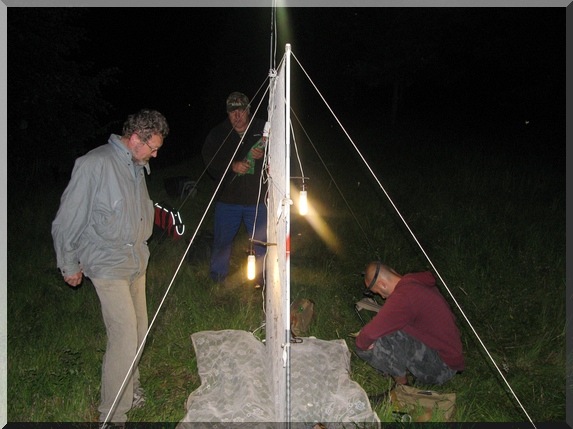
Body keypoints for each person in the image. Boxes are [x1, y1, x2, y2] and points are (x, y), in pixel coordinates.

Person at [51, 109, 169, 425]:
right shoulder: (94, 165)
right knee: (123, 335)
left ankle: (131, 387)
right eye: (152, 147)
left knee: (139, 331)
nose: (155, 154)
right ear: (134, 139)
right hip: (105, 262)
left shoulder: (136, 165)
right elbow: (66, 221)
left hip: (135, 262)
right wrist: (68, 264)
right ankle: (113, 413)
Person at [355, 261, 465, 386]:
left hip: (441, 366)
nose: (383, 297)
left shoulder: (404, 296)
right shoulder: (414, 283)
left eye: (378, 292)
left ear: (382, 284)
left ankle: (402, 387)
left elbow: (368, 335)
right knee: (390, 327)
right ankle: (400, 367)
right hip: (447, 355)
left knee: (380, 338)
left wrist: (362, 344)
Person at [201, 92, 268, 286]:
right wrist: (232, 167)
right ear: (227, 113)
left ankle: (263, 281)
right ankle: (218, 279)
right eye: (232, 111)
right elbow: (209, 161)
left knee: (261, 243)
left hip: (257, 199)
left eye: (241, 110)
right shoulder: (218, 133)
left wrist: (264, 154)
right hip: (227, 200)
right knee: (222, 242)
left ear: (249, 110)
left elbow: (280, 154)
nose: (237, 115)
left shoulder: (263, 128)